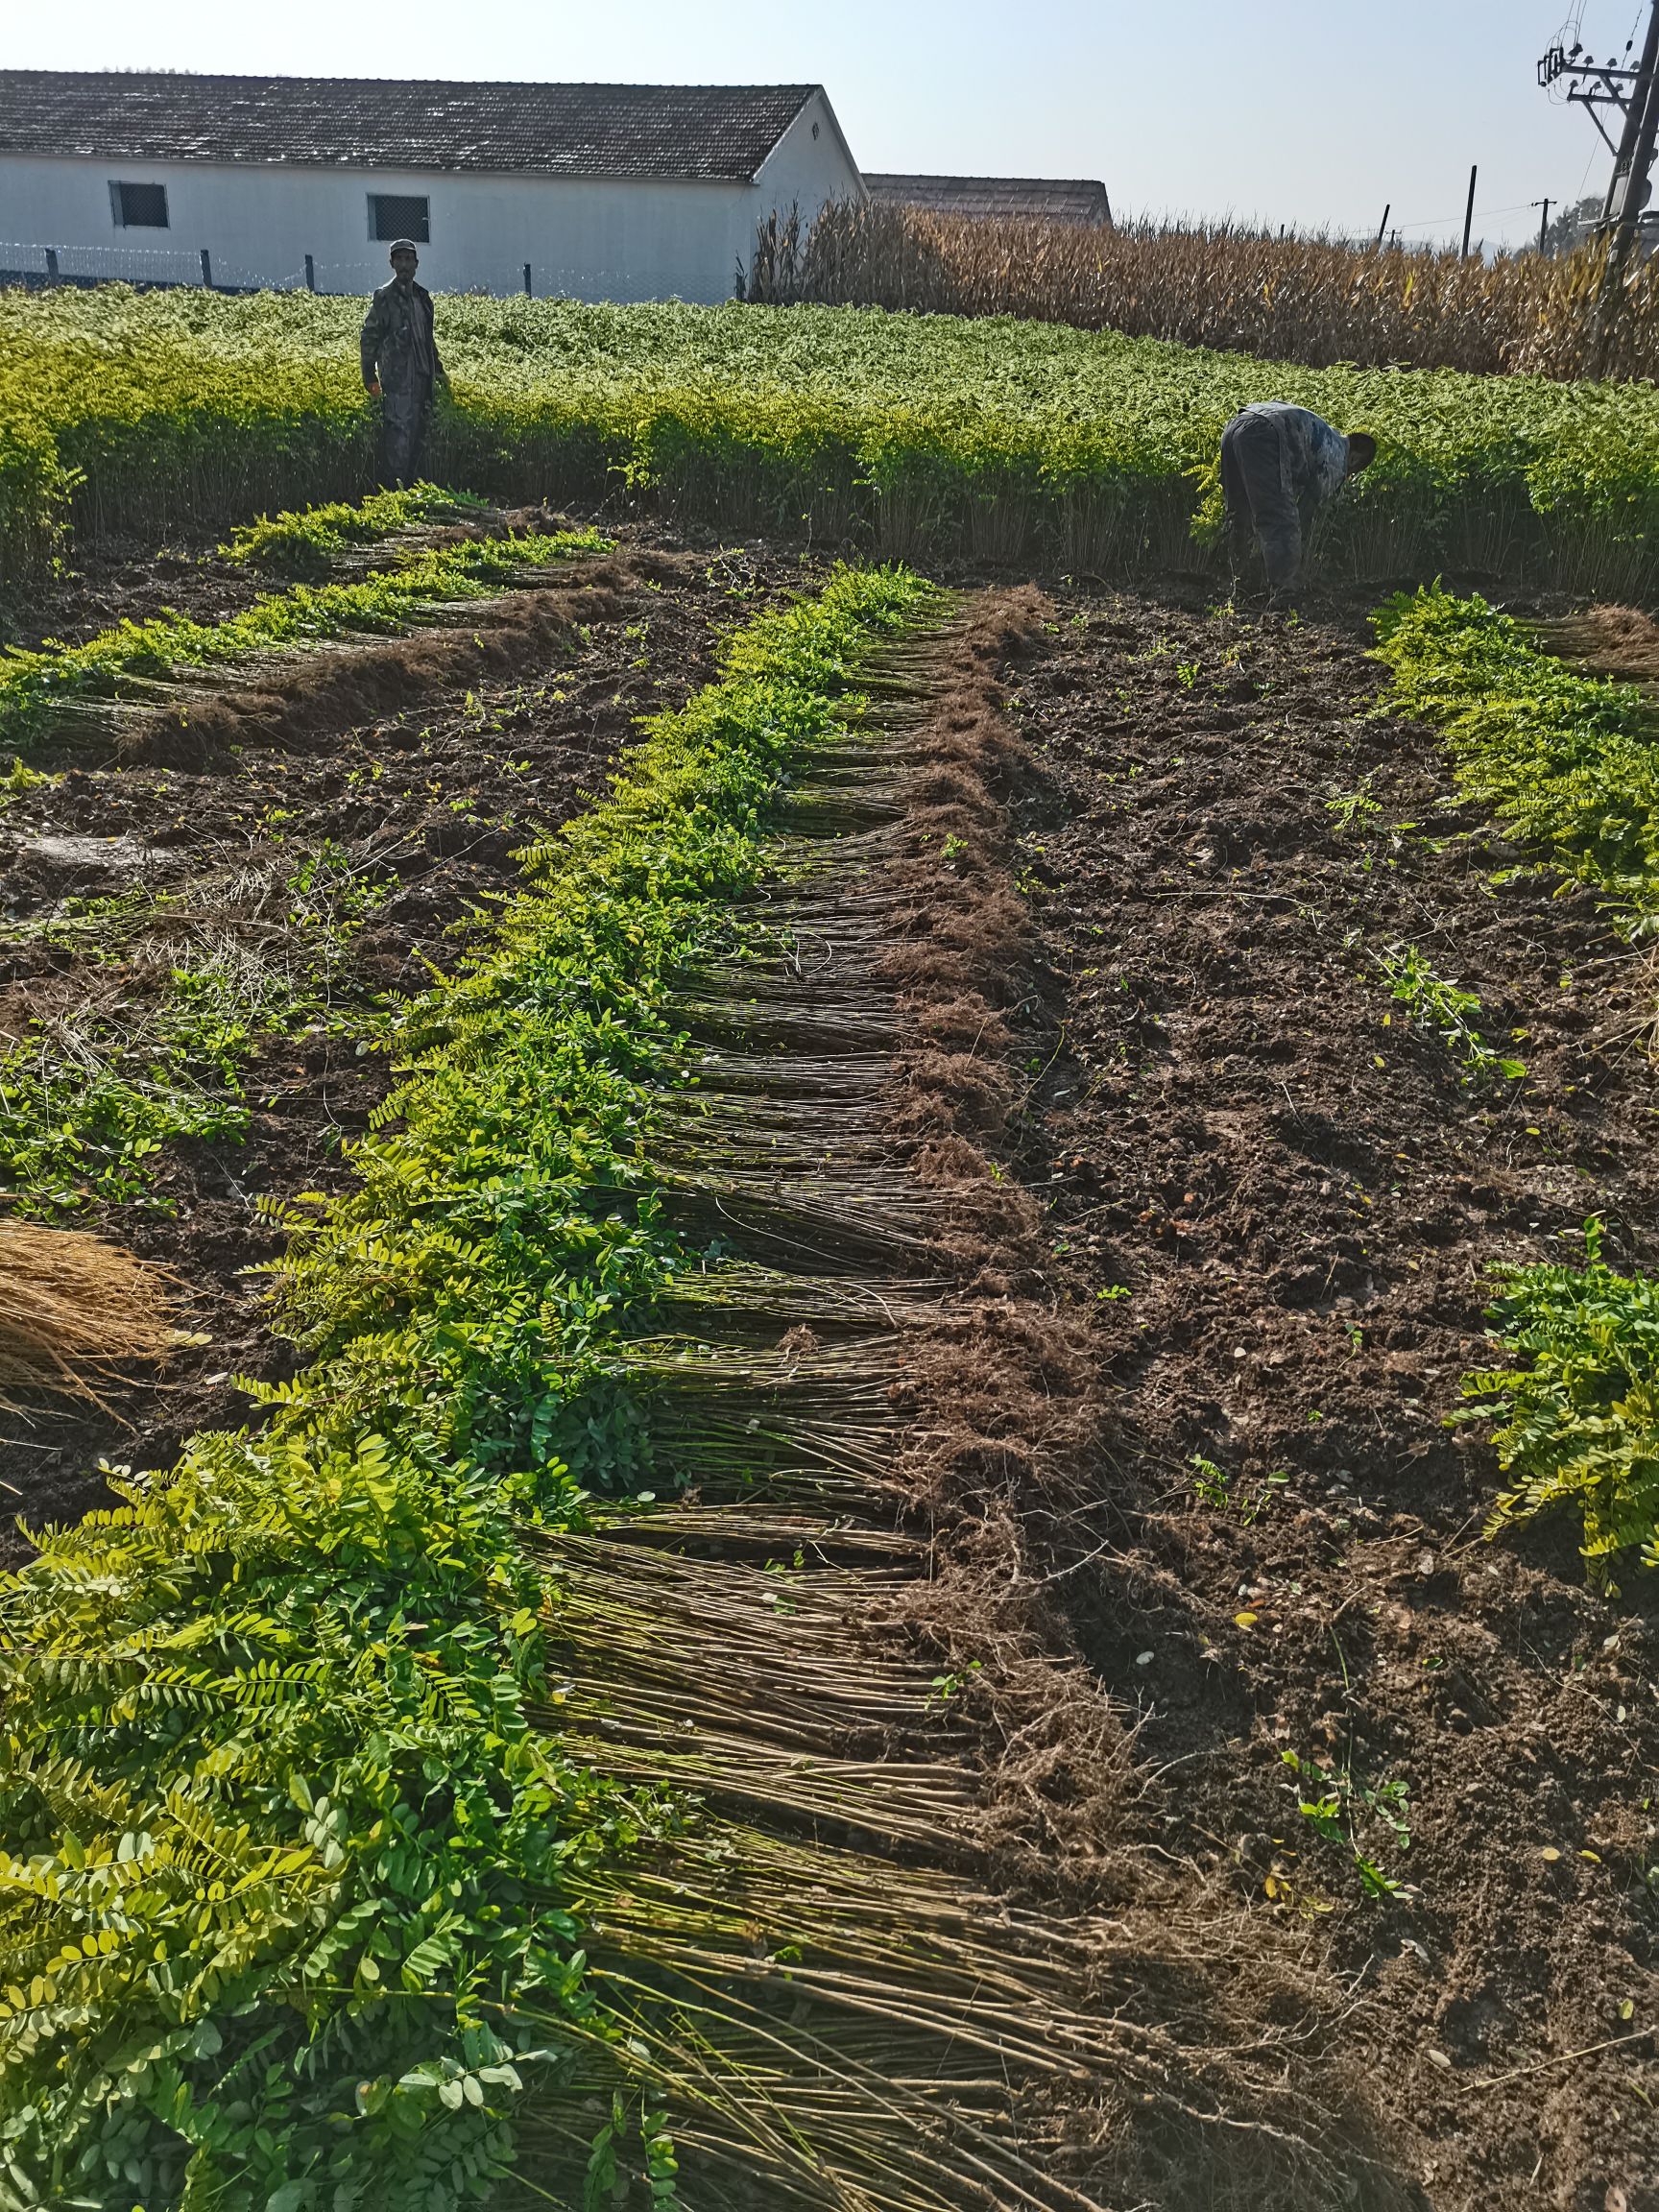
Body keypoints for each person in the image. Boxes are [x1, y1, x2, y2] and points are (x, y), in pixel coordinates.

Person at [1220, 403, 1377, 597]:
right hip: (1266, 434)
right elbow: (1307, 509)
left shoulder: (1327, 435)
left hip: (1237, 425)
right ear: (1354, 460)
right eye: (1351, 473)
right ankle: (1284, 591)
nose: (1347, 477)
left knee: (1239, 513)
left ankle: (1238, 581)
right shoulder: (1339, 456)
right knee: (1283, 520)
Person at [360, 241, 447, 487]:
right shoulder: (384, 298)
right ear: (392, 264)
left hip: (422, 378)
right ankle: (394, 495)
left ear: (417, 265)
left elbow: (428, 341)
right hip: (397, 381)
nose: (404, 264)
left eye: (409, 259)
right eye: (399, 259)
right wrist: (369, 376)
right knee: (398, 437)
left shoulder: (423, 298)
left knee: (419, 437)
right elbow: (369, 337)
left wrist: (439, 374)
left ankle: (411, 494)